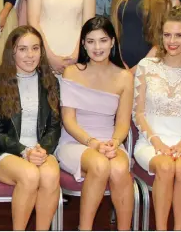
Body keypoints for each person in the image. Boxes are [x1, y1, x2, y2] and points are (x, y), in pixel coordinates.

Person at [55, 16, 134, 230]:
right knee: (99, 165)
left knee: (119, 169)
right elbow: (69, 121)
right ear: (83, 44)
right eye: (90, 41)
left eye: (103, 40)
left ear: (112, 42)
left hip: (110, 142)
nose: (97, 47)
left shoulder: (125, 77)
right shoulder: (72, 72)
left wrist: (114, 143)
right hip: (75, 141)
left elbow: (123, 123)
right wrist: (94, 144)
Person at [0, 25, 61, 230]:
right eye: (23, 49)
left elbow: (54, 126)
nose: (30, 55)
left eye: (35, 48)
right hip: (4, 151)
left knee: (51, 174)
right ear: (12, 52)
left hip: (39, 149)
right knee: (30, 175)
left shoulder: (50, 81)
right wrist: (24, 151)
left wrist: (41, 149)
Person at [132, 6, 181, 230]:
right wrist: (156, 142)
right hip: (150, 140)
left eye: (179, 35)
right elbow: (138, 113)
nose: (172, 41)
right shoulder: (146, 66)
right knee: (164, 166)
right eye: (167, 34)